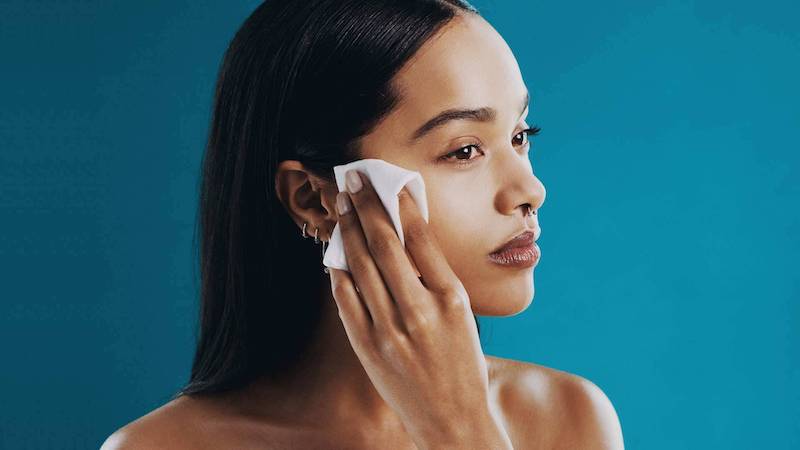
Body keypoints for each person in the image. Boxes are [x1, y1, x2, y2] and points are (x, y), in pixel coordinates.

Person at [102, 0, 624, 448]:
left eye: (520, 134)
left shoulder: (569, 420)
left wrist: (462, 432)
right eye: (465, 150)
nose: (531, 190)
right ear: (313, 199)